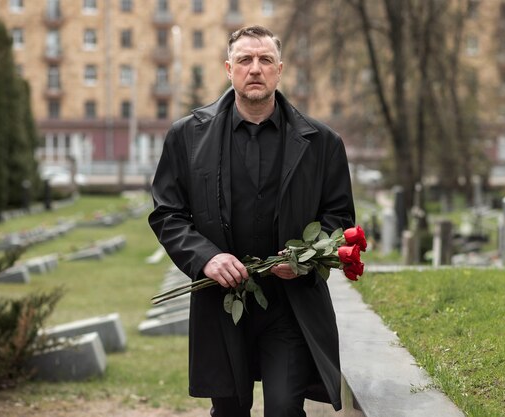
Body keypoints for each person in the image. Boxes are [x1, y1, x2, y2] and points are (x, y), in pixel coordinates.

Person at [149, 25, 355, 417]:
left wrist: (305, 260)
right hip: (220, 302)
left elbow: (339, 216)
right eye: (245, 60)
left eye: (265, 60)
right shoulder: (186, 137)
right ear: (229, 69)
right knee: (228, 412)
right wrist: (206, 257)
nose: (254, 68)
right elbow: (167, 213)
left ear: (280, 70)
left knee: (283, 409)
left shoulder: (323, 142)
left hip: (289, 306)